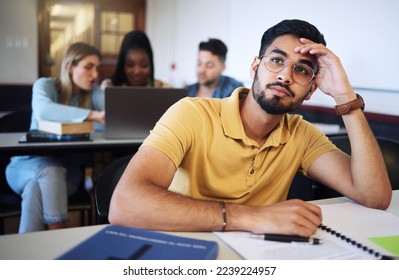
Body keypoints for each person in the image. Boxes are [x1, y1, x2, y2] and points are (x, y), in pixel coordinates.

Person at [108, 19, 392, 237]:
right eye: (277, 60)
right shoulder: (191, 113)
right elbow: (124, 204)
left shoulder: (301, 134)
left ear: (311, 90)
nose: (285, 75)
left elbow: (374, 196)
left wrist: (345, 97)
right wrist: (251, 217)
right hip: (184, 250)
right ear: (255, 66)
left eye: (302, 70)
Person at [6, 42, 105, 233]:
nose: (95, 75)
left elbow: (112, 113)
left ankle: (26, 258)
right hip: (24, 166)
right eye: (88, 67)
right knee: (49, 169)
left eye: (98, 68)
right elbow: (44, 111)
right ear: (70, 67)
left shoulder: (92, 93)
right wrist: (92, 115)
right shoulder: (45, 85)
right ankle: (58, 231)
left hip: (68, 174)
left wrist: (107, 92)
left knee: (35, 189)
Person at [101, 30, 169, 88]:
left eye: (144, 65)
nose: (137, 71)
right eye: (130, 65)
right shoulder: (109, 87)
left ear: (151, 64)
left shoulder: (161, 87)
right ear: (122, 65)